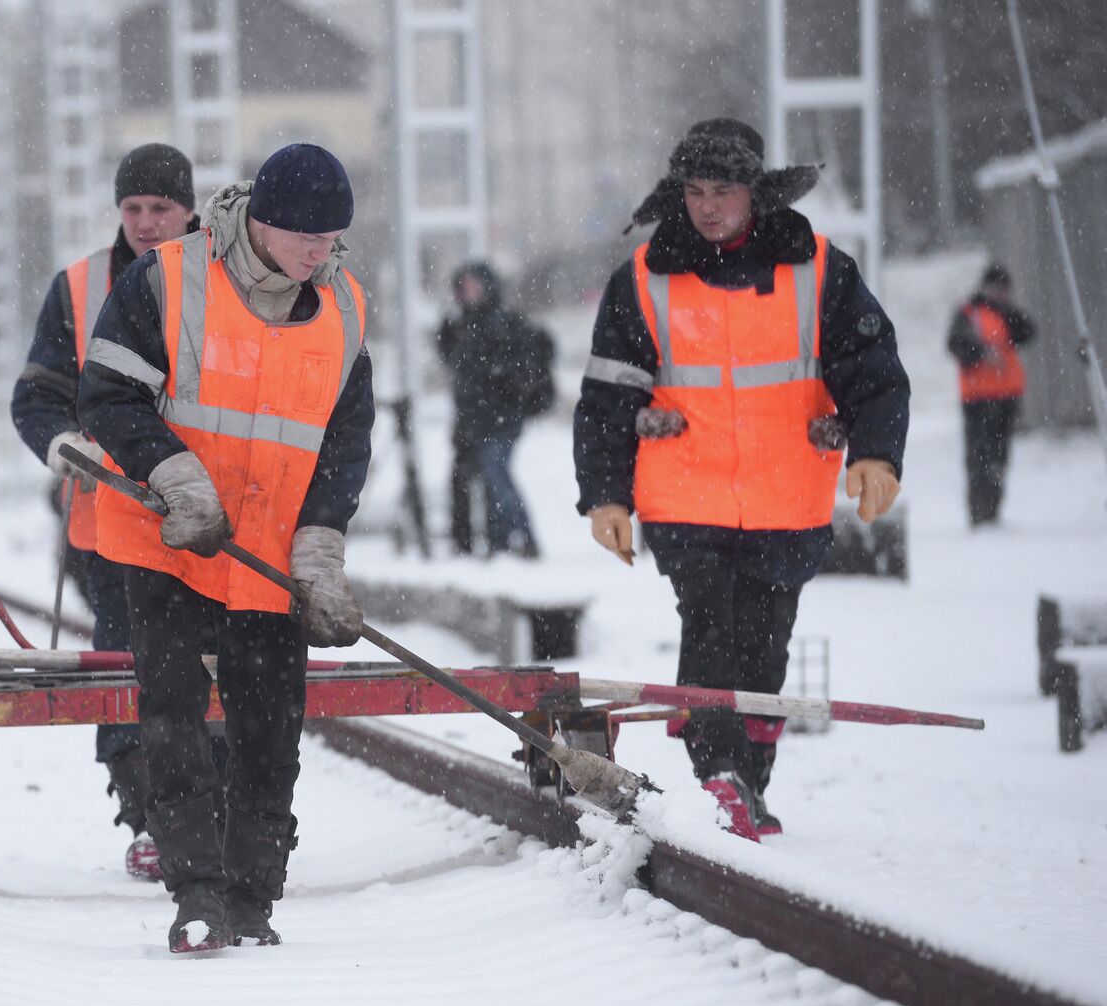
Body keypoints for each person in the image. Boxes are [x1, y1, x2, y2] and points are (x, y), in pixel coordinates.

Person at [574, 118, 909, 840]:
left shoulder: (820, 269)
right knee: (711, 630)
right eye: (694, 191)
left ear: (755, 191)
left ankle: (747, 784)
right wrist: (606, 496)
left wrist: (876, 453)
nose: (708, 206)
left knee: (765, 646)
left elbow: (874, 374)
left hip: (786, 499)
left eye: (723, 190)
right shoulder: (644, 277)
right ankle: (715, 777)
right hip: (686, 499)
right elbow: (607, 400)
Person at [80, 144, 374, 951]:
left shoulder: (344, 305)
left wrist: (319, 548)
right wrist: (177, 478)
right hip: (168, 543)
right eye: (305, 238)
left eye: (332, 238)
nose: (320, 253)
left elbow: (345, 442)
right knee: (173, 721)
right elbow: (106, 394)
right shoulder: (166, 281)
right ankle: (198, 894)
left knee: (269, 731)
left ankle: (253, 899)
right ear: (262, 221)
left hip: (269, 558)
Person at [10, 144, 205, 882]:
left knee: (213, 670)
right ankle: (149, 816)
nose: (148, 223)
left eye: (161, 208)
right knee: (128, 667)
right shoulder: (81, 288)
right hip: (111, 526)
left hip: (210, 517)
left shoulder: (228, 283)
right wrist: (62, 445)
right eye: (134, 209)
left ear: (189, 208)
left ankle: (206, 809)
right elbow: (36, 395)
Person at [436, 261, 554, 558]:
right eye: (464, 287)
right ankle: (494, 543)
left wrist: (500, 382)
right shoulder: (460, 325)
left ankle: (521, 538)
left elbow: (521, 368)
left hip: (499, 417)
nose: (468, 292)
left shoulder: (501, 323)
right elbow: (454, 363)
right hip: (472, 419)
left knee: (495, 475)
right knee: (475, 478)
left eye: (474, 285)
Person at [947, 264, 1035, 527]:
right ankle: (978, 512)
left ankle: (994, 510)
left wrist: (1007, 312)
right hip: (977, 398)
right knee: (978, 456)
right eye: (996, 288)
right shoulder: (969, 312)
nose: (1000, 294)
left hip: (1006, 396)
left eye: (1004, 289)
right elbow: (954, 343)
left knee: (1000, 456)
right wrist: (982, 352)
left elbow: (1028, 332)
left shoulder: (1008, 314)